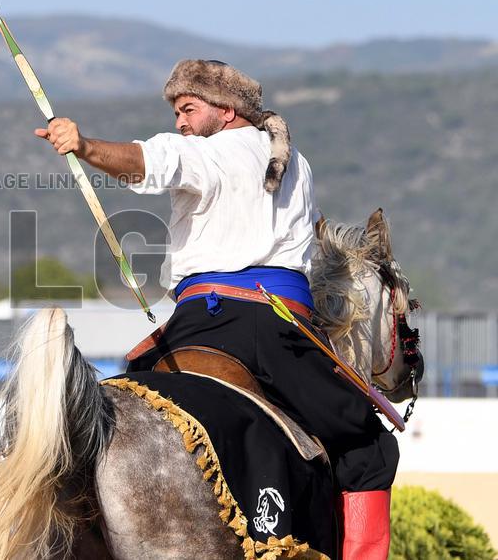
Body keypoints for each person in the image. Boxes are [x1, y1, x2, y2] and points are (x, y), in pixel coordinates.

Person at [34, 59, 396, 559]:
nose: (179, 123)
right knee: (367, 445)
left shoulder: (213, 153)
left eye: (188, 109)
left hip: (194, 326)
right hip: (274, 327)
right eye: (177, 113)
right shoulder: (299, 164)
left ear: (226, 111)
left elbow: (151, 160)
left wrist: (86, 146)